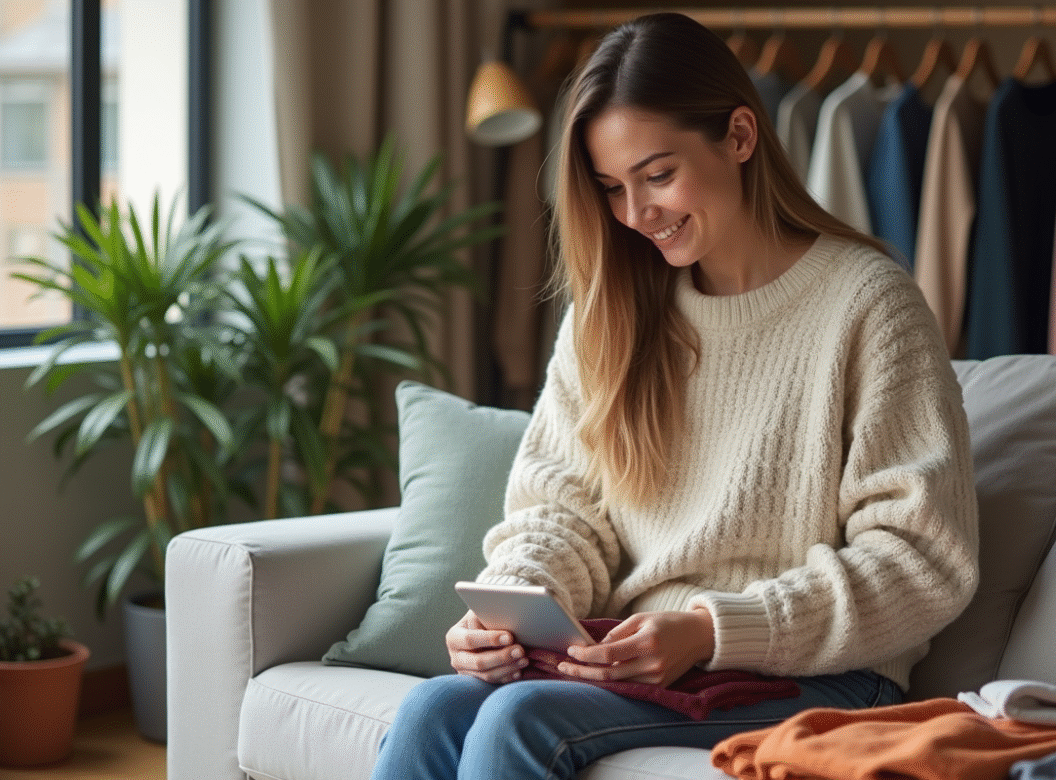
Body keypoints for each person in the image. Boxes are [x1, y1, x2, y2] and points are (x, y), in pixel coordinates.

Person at [371, 11, 978, 780]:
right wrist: (513, 604)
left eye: (658, 175)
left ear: (739, 137)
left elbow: (921, 560)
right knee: (433, 708)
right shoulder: (611, 312)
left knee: (525, 720)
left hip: (823, 677)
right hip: (649, 662)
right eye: (612, 188)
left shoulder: (869, 305)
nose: (634, 214)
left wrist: (709, 629)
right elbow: (561, 511)